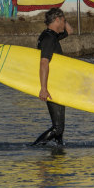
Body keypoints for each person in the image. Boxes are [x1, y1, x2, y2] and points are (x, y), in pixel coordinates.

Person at [32, 8, 73, 146]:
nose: (65, 23)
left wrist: (62, 15)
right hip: (52, 86)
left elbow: (70, 31)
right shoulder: (49, 38)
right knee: (57, 128)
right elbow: (44, 62)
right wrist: (43, 88)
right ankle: (33, 148)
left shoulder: (51, 35)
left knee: (59, 132)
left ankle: (58, 159)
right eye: (63, 20)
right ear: (57, 20)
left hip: (57, 85)